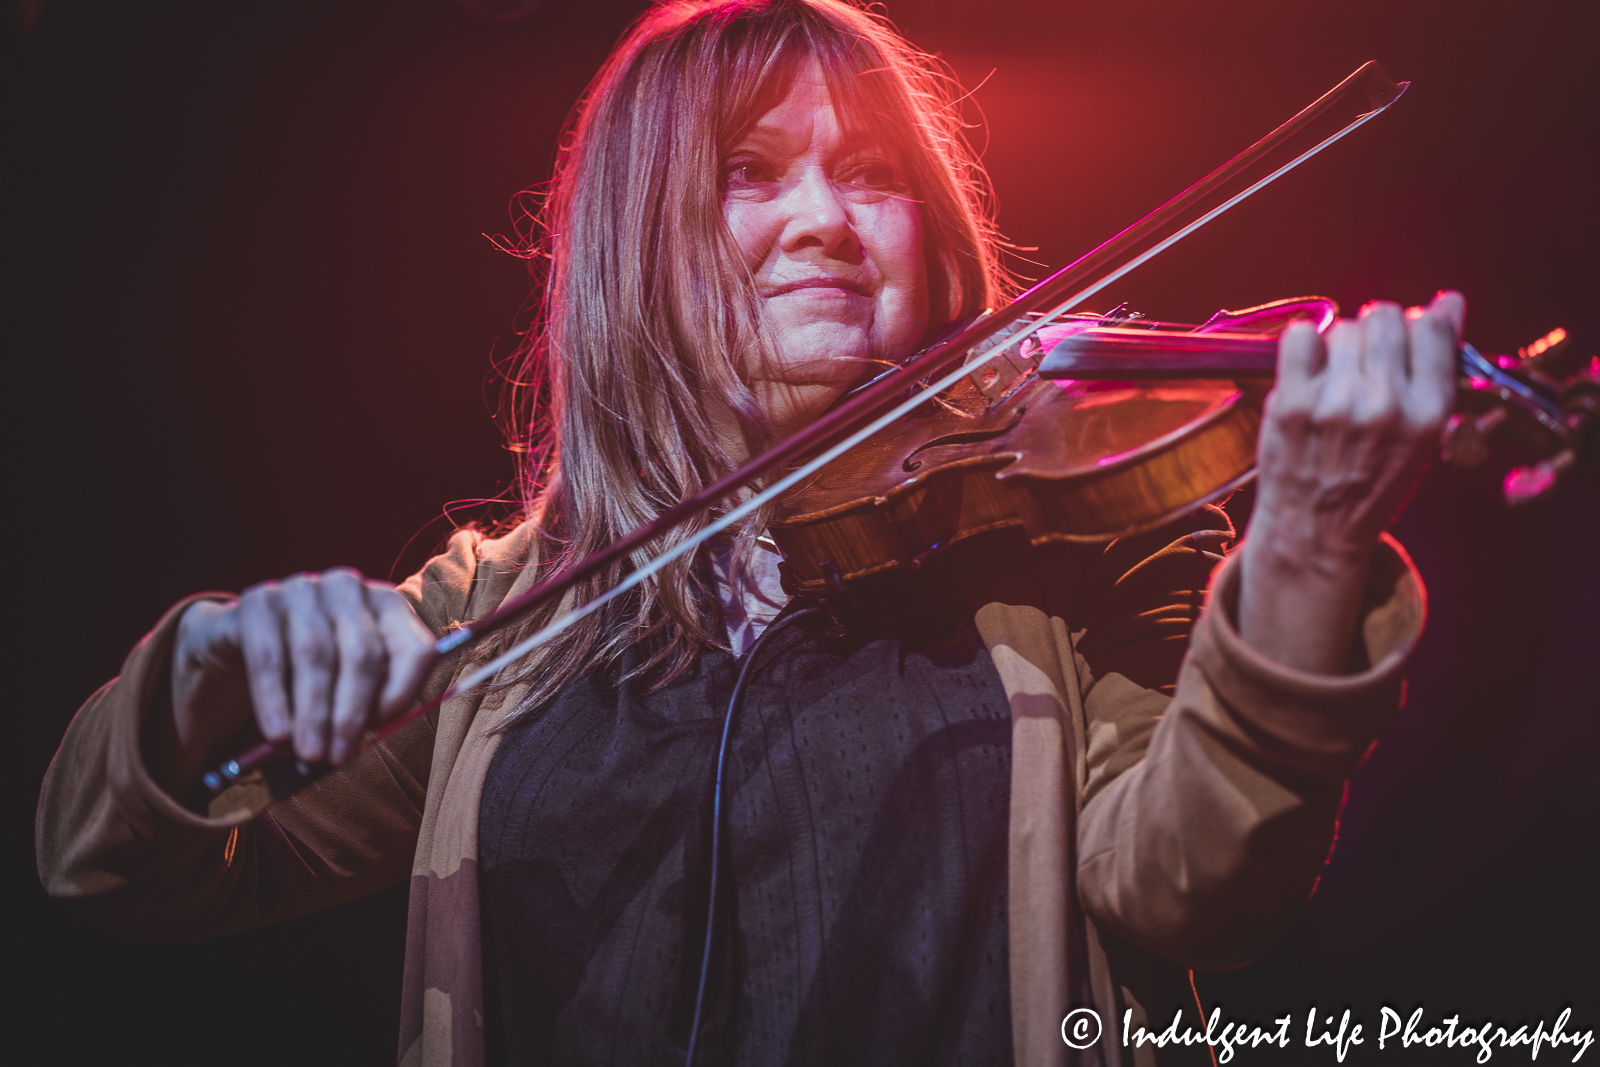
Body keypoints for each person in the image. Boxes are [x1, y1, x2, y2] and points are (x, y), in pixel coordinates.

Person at [35, 1, 1460, 1065]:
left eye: (875, 175)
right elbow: (126, 873)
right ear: (638, 240)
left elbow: (1195, 890)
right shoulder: (510, 609)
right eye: (751, 171)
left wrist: (1310, 554)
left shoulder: (1067, 555)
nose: (827, 221)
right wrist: (201, 678)